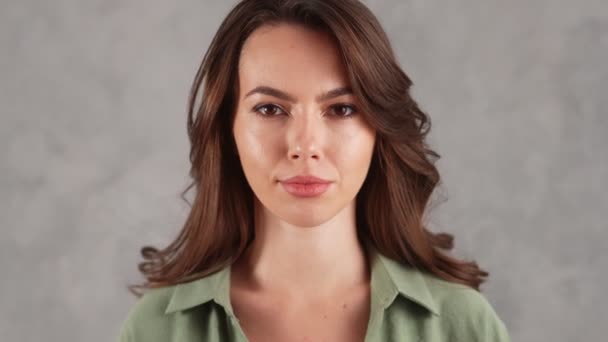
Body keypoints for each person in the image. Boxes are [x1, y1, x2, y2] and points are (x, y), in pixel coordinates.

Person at [118, 0, 511, 341]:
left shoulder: (464, 327)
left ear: (379, 129)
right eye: (270, 109)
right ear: (227, 129)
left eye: (341, 109)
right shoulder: (156, 331)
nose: (305, 146)